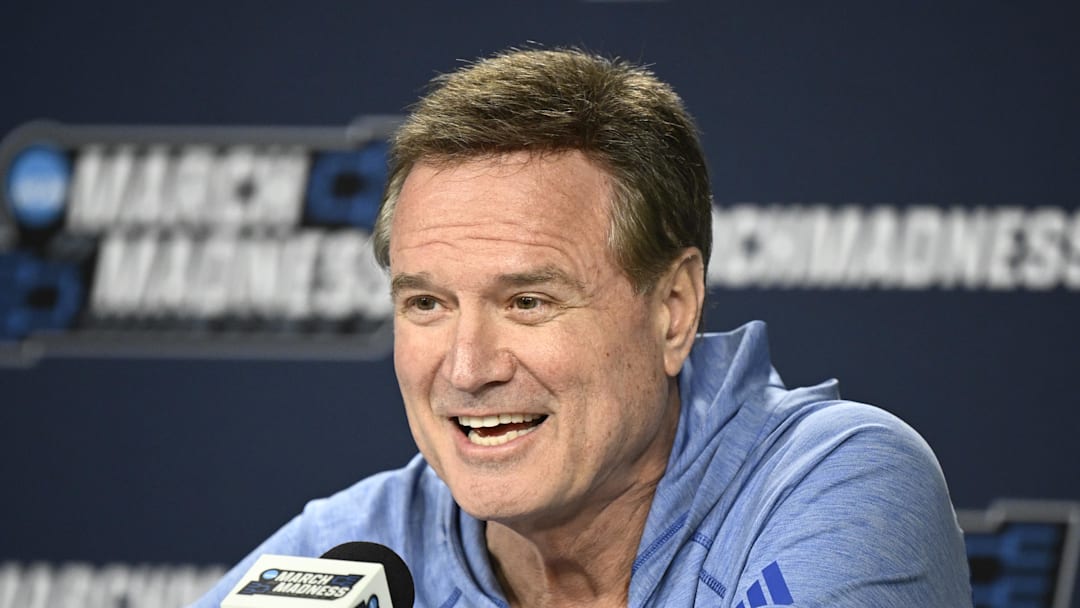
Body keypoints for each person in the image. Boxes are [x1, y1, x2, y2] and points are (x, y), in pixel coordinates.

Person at [193, 47, 971, 607]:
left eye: (528, 302)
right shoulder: (345, 550)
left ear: (673, 310)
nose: (467, 368)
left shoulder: (839, 483)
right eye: (426, 304)